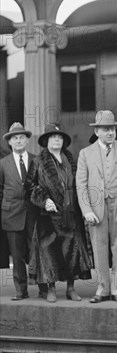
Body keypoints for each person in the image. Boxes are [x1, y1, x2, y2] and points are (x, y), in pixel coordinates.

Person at [76, 110, 117, 303]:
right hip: (96, 207)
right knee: (99, 247)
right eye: (105, 129)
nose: (110, 132)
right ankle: (103, 288)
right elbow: (81, 184)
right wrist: (86, 210)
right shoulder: (85, 154)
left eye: (112, 128)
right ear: (97, 132)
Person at [26, 123, 93, 303]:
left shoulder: (71, 159)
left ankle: (71, 288)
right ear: (46, 140)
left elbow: (80, 184)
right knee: (50, 252)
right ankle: (51, 288)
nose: (57, 140)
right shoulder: (38, 162)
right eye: (53, 137)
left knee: (72, 251)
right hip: (49, 216)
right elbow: (30, 186)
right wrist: (44, 200)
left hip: (71, 213)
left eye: (60, 137)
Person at [0, 123, 40, 300]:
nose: (18, 140)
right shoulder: (3, 163)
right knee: (16, 254)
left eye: (21, 137)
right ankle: (21, 290)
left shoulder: (36, 159)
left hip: (34, 213)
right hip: (12, 213)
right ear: (9, 142)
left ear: (27, 139)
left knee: (37, 251)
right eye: (14, 138)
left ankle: (43, 286)